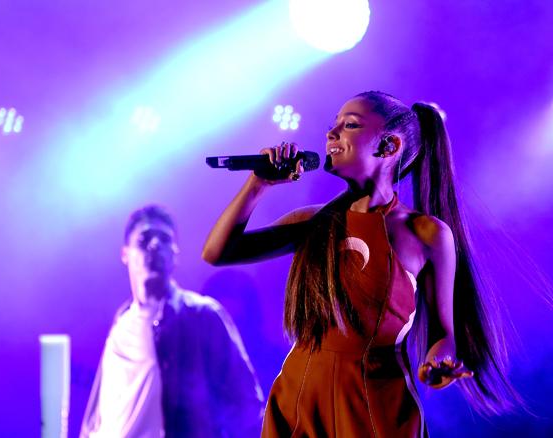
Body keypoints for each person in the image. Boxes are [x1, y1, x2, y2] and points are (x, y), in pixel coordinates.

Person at [202, 91, 518, 437]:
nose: (331, 133)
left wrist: (438, 363)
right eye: (332, 126)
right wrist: (258, 183)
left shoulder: (426, 234)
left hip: (375, 403)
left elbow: (444, 333)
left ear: (388, 147)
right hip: (300, 396)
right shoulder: (310, 222)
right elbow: (218, 252)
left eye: (349, 125)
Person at [81, 204, 264, 438]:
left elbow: (247, 404)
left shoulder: (202, 315)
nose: (155, 245)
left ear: (175, 253)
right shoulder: (121, 324)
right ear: (125, 253)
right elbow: (98, 416)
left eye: (164, 239)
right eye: (144, 238)